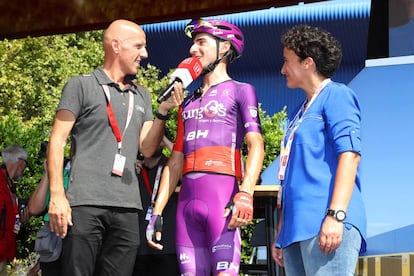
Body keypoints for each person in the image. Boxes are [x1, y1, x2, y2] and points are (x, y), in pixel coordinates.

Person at [46, 19, 183, 276]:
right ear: (116, 46)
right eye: (139, 46)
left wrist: (163, 113)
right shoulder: (81, 85)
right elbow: (57, 140)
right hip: (85, 203)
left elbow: (147, 148)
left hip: (128, 207)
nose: (145, 54)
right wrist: (57, 196)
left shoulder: (142, 95)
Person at [146, 18, 264, 276]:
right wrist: (156, 212)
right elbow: (175, 160)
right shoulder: (186, 101)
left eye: (201, 42)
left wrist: (245, 193)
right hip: (186, 208)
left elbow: (256, 145)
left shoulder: (241, 90)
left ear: (224, 49)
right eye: (192, 43)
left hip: (222, 201)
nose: (192, 49)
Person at [271, 24, 367, 275]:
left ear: (308, 63)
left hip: (325, 221)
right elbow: (291, 177)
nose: (282, 69)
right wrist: (282, 231)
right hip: (295, 230)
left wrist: (336, 215)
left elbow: (350, 155)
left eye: (287, 61)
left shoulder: (337, 96)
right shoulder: (297, 114)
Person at [133, 135, 179, 276]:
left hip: (168, 248)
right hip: (138, 249)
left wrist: (162, 137)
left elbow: (184, 160)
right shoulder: (135, 169)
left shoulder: (172, 169)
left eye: (158, 137)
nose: (155, 141)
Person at [28, 142, 72, 276]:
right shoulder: (60, 170)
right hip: (54, 238)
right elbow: (34, 208)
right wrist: (48, 173)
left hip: (79, 237)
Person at [0, 145, 28, 276]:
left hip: (3, 254)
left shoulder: (10, 186)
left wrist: (20, 222)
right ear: (21, 163)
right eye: (25, 166)